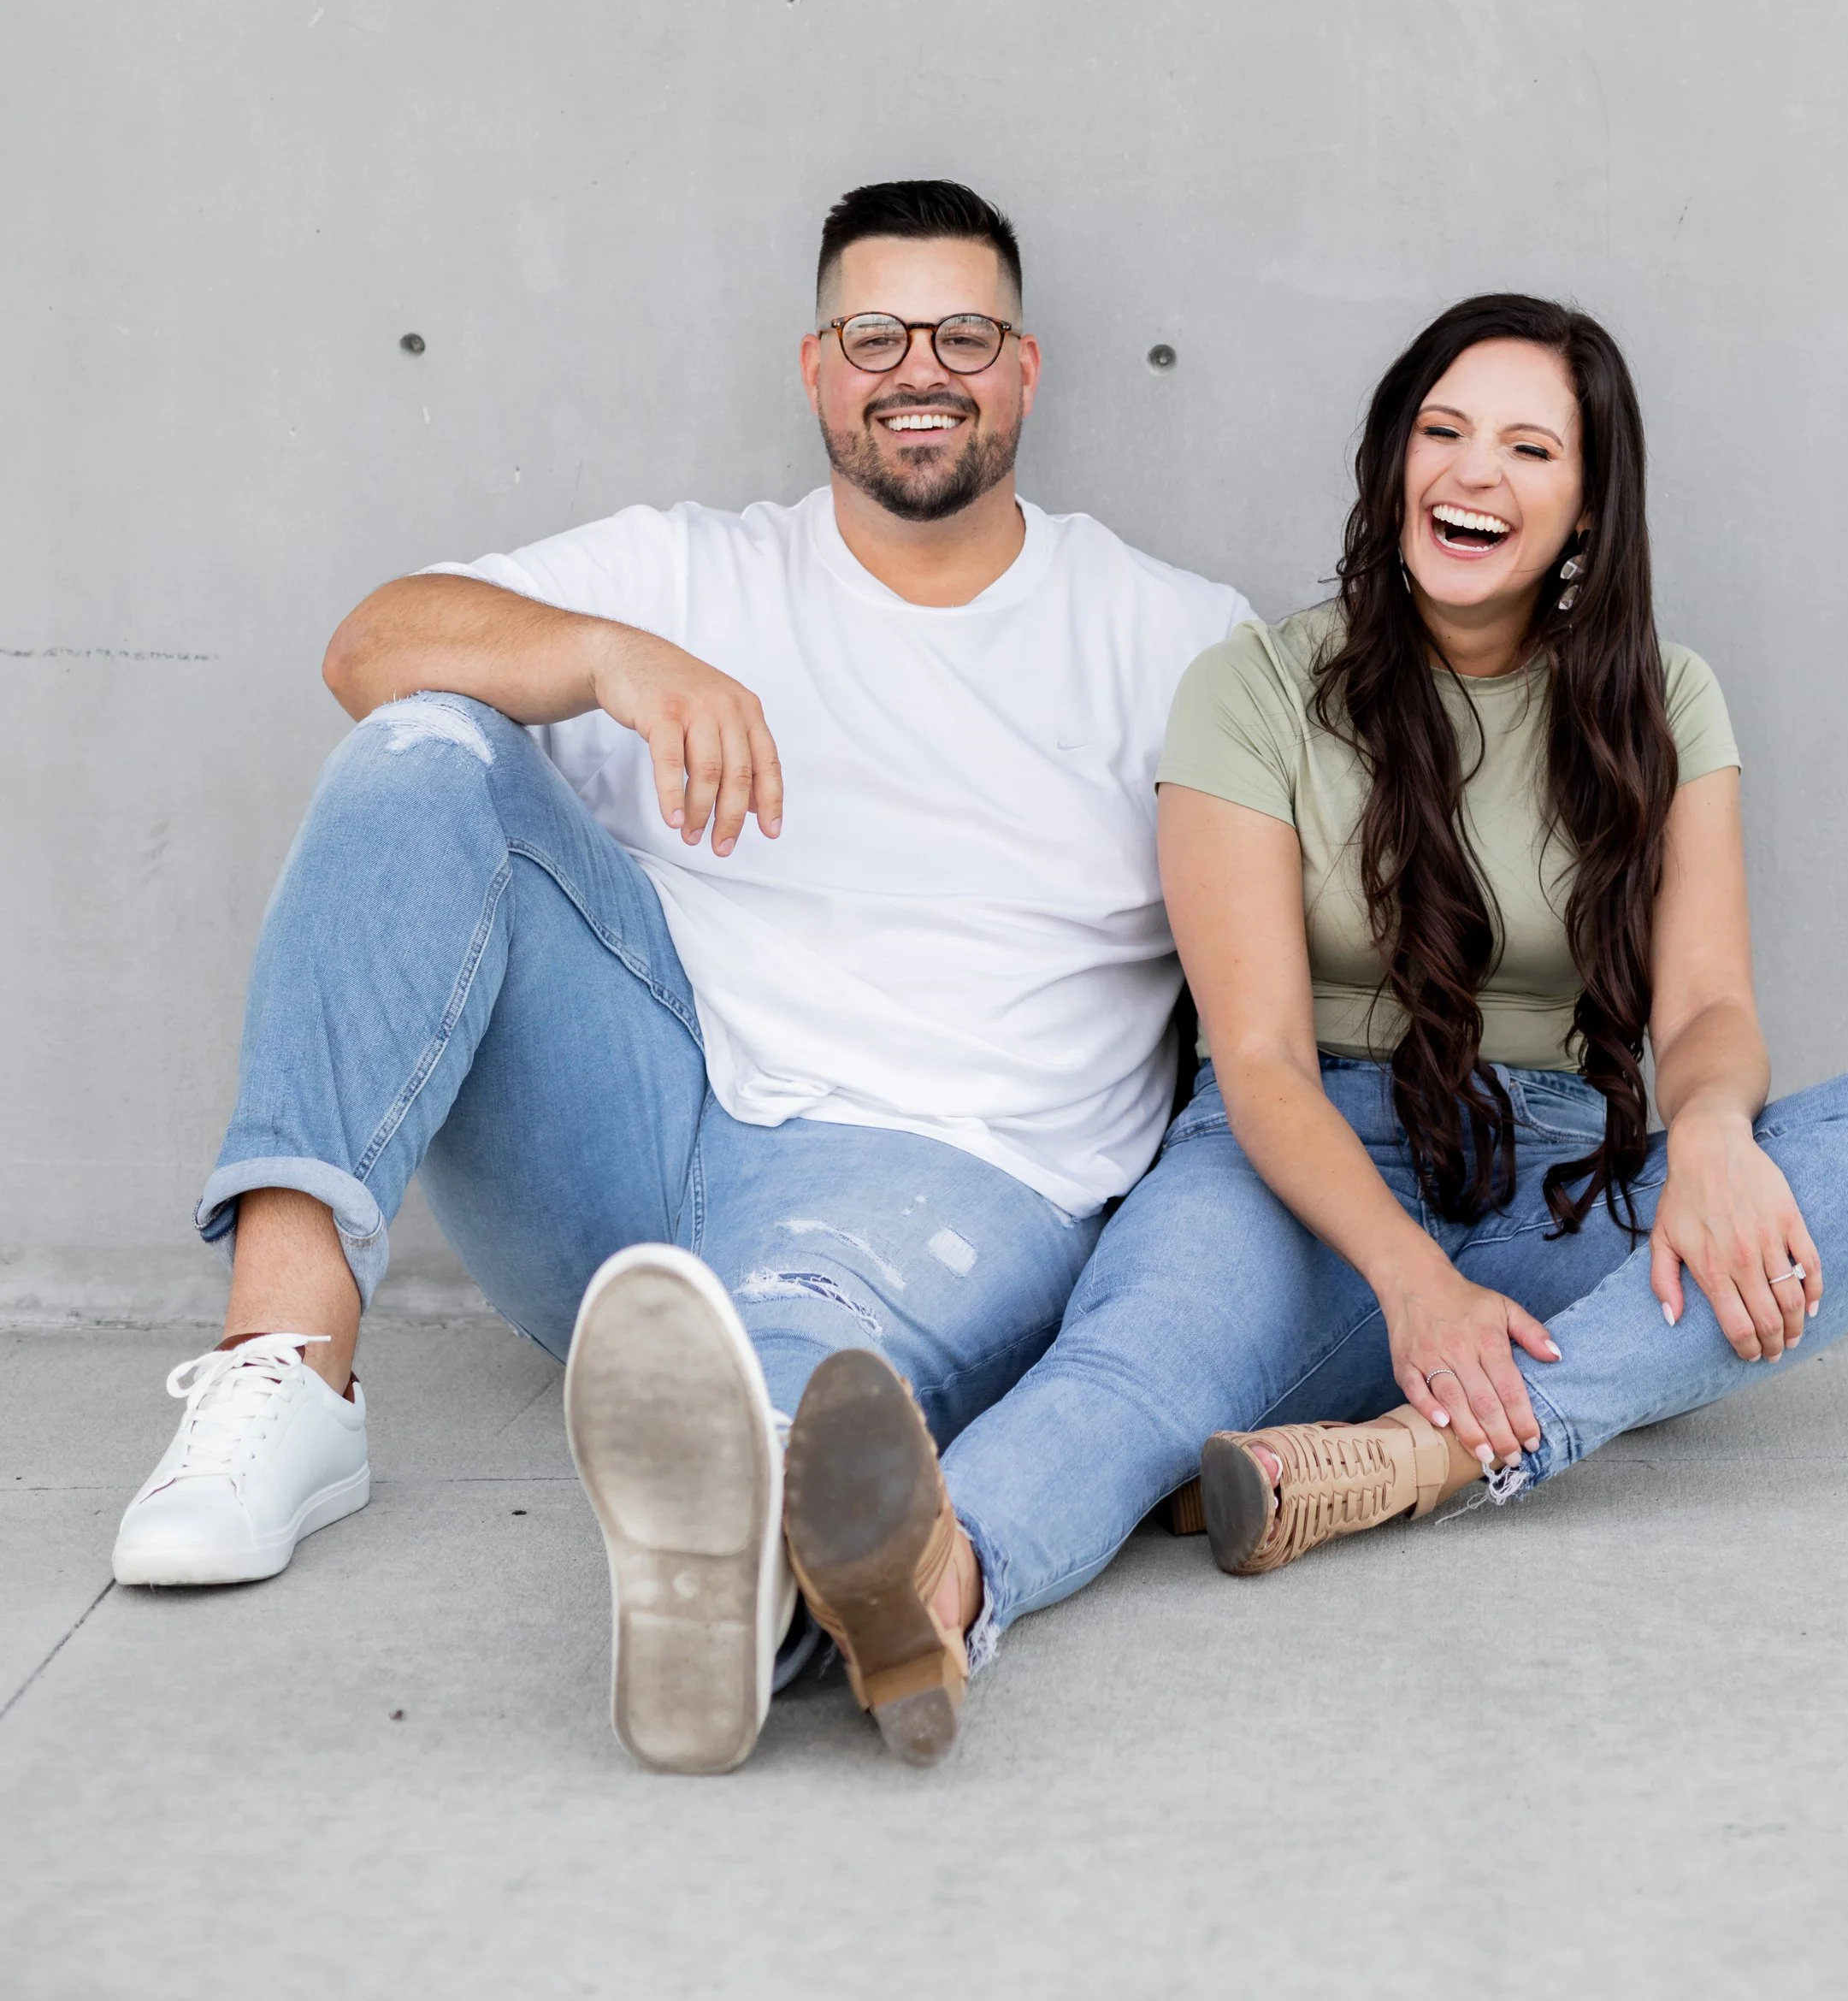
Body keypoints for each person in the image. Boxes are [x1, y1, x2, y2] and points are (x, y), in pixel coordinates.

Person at [109, 178, 1250, 1777]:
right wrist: (603, 657)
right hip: (646, 1136)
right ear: (814, 367)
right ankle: (285, 1375)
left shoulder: (1172, 636)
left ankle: (736, 1599)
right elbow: (369, 644)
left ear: (1026, 367)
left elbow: (1290, 950)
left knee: (790, 1396)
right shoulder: (696, 571)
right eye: (876, 331)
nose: (919, 364)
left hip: (947, 1177)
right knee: (424, 743)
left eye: (964, 332)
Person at [788, 293, 1848, 1748]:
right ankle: (933, 1590)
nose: (1473, 473)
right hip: (1305, 1164)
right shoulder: (1257, 689)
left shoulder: (1665, 700)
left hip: (1562, 1182)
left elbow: (1709, 1001)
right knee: (1138, 1367)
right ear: (1393, 460)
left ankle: (1415, 1460)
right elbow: (1264, 1055)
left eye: (1530, 448)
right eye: (1443, 432)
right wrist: (1415, 1282)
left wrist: (1714, 1131)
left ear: (1589, 506)